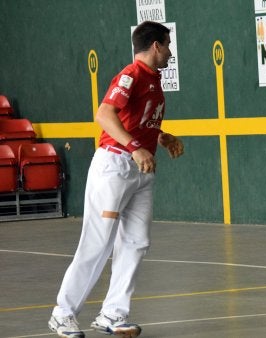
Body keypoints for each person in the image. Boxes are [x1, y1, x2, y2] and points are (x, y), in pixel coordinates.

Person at [49, 21, 184, 338]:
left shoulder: (153, 80)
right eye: (167, 45)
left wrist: (160, 137)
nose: (170, 52)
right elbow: (105, 114)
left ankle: (112, 315)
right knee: (97, 244)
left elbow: (133, 121)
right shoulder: (131, 75)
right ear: (155, 46)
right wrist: (137, 148)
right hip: (115, 168)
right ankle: (63, 314)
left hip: (141, 171)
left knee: (136, 243)